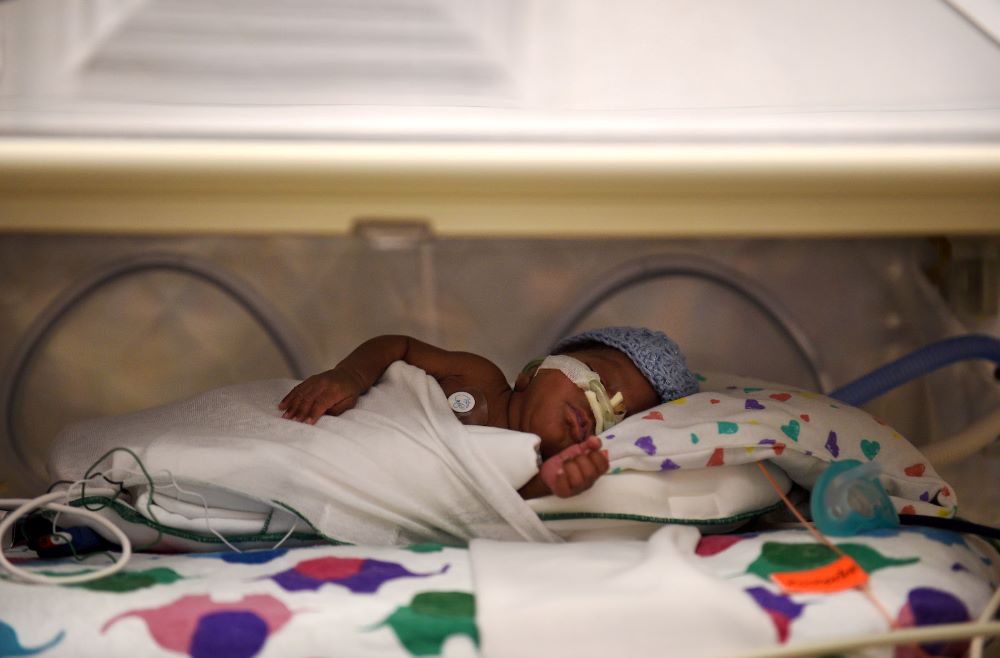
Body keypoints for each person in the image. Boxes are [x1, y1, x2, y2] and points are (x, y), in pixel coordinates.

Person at [279, 327, 698, 500]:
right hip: (314, 425)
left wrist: (560, 481)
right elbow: (398, 346)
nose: (602, 407)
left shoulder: (536, 465)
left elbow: (503, 501)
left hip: (344, 479)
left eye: (622, 414)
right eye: (604, 380)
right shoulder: (478, 375)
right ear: (533, 371)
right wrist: (348, 375)